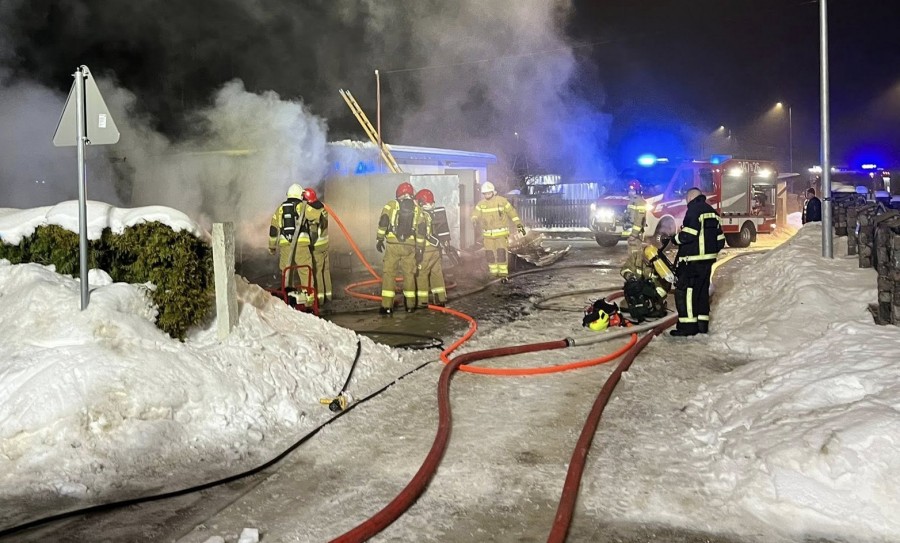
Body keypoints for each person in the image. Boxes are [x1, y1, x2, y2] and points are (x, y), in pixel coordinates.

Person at [669, 187, 726, 337]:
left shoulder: (694, 211)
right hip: (707, 263)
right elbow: (720, 240)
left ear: (690, 198)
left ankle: (687, 328)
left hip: (691, 262)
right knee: (701, 293)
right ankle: (702, 325)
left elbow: (689, 234)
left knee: (686, 293)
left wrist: (674, 239)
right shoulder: (713, 213)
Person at [376, 182, 426, 315]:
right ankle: (410, 306)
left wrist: (379, 238)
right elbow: (421, 231)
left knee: (389, 274)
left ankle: (387, 306)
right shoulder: (418, 209)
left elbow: (384, 221)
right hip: (410, 246)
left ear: (398, 193)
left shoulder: (391, 205)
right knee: (409, 275)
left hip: (393, 244)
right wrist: (420, 248)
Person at [471, 181, 526, 282]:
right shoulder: (481, 204)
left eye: (488, 193)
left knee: (501, 253)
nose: (487, 195)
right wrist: (474, 219)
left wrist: (518, 224)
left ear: (493, 192)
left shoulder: (502, 201)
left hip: (501, 234)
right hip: (487, 235)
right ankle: (493, 272)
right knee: (489, 254)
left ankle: (503, 273)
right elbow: (475, 213)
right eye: (485, 193)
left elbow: (512, 213)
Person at [268, 183, 314, 298]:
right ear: (299, 195)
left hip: (285, 244)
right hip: (301, 243)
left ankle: (287, 294)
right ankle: (308, 295)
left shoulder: (280, 208)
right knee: (305, 269)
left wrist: (272, 246)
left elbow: (273, 228)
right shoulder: (302, 206)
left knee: (286, 270)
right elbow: (315, 217)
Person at [620, 243, 672, 322]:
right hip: (638, 288)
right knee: (624, 306)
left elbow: (666, 284)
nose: (649, 261)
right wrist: (631, 278)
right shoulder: (636, 256)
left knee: (651, 308)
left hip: (654, 290)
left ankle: (653, 305)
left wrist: (655, 296)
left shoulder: (659, 261)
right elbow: (625, 269)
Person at [414, 189, 448, 307]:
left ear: (421, 202)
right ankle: (440, 298)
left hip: (425, 250)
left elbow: (421, 234)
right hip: (436, 250)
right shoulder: (436, 213)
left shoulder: (421, 215)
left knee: (422, 273)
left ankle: (423, 301)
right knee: (436, 273)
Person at [301, 187, 332, 305]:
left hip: (317, 246)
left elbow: (313, 232)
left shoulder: (312, 211)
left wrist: (308, 244)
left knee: (317, 272)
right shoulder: (322, 207)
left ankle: (320, 299)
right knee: (326, 271)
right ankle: (328, 296)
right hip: (325, 244)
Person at [623, 179, 648, 245]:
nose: (630, 192)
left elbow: (639, 220)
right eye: (629, 190)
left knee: (635, 252)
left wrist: (634, 235)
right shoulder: (631, 201)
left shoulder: (640, 202)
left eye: (632, 191)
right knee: (631, 253)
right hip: (632, 234)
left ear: (637, 191)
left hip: (636, 235)